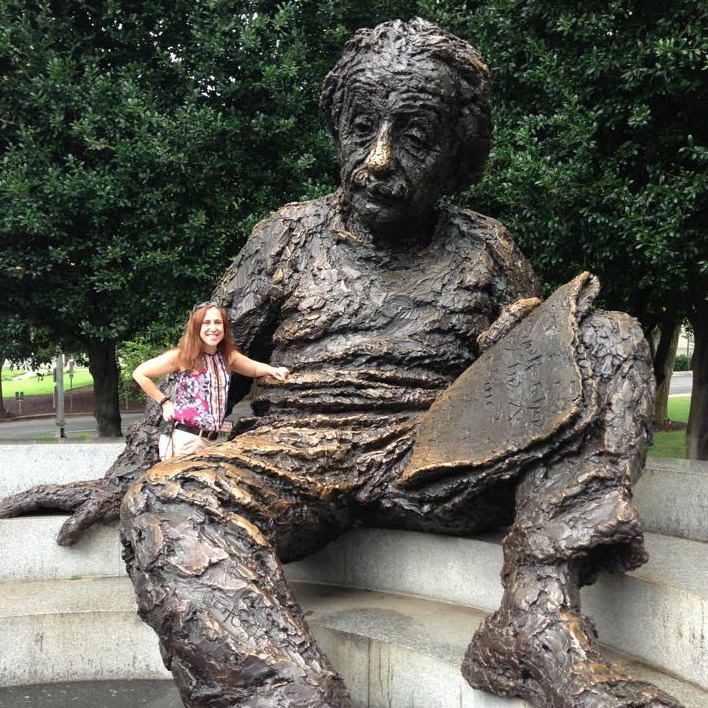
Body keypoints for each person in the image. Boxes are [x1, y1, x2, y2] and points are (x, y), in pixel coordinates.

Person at [0, 19, 679, 708]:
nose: (378, 159)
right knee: (170, 498)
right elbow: (205, 370)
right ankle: (284, 693)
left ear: (458, 157)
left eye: (415, 138)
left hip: (433, 458)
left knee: (607, 336)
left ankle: (537, 621)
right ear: (338, 129)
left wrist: (519, 332)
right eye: (363, 128)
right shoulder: (287, 235)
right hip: (295, 453)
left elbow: (531, 380)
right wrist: (126, 472)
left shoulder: (486, 247)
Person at [133, 302, 289, 458]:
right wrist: (165, 403)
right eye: (206, 323)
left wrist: (273, 370)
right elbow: (140, 373)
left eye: (217, 322)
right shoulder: (183, 356)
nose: (213, 328)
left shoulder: (227, 357)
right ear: (196, 328)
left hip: (213, 440)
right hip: (188, 441)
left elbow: (254, 368)